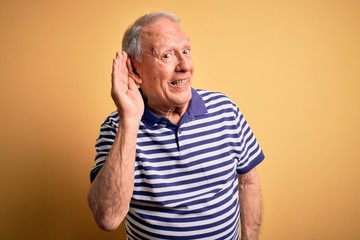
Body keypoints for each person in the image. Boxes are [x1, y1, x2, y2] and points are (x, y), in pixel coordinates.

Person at [88, 11, 265, 240]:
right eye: (167, 55)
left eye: (186, 51)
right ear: (134, 70)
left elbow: (248, 182)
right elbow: (107, 218)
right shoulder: (117, 127)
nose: (184, 66)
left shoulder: (225, 110)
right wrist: (130, 122)